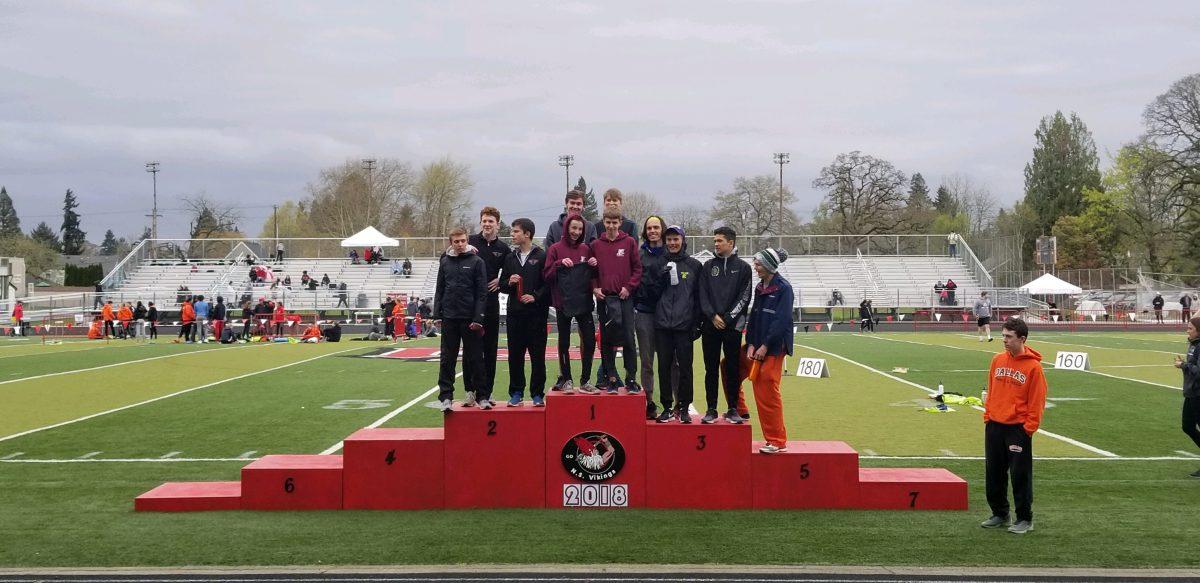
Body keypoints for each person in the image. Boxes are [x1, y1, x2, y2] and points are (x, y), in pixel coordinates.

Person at [981, 317, 1047, 535]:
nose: (1004, 340)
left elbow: (1037, 402)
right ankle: (1000, 513)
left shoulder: (1034, 368)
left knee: (1019, 475)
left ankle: (1024, 518)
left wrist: (1028, 428)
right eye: (1003, 336)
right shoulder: (997, 360)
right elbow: (991, 390)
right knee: (994, 472)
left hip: (1017, 429)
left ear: (1022, 339)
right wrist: (989, 415)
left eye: (1009, 337)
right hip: (994, 425)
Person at [734, 247, 794, 453]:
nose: (755, 267)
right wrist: (750, 342)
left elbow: (781, 320)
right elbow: (755, 317)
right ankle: (739, 411)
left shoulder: (784, 288)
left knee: (767, 388)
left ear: (768, 266)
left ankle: (777, 441)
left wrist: (765, 345)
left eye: (758, 264)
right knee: (729, 368)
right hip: (757, 345)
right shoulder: (760, 287)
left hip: (774, 347)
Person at [699, 226, 752, 424]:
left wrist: (728, 318)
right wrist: (712, 316)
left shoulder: (744, 268)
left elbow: (745, 296)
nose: (716, 244)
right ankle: (711, 409)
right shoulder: (707, 266)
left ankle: (732, 408)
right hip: (710, 326)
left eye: (720, 241)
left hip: (732, 327)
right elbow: (702, 294)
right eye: (715, 241)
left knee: (732, 368)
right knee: (710, 368)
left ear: (731, 243)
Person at [433, 227, 488, 412]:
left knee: (475, 359)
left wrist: (478, 317)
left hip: (470, 319)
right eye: (456, 241)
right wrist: (436, 314)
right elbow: (439, 289)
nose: (460, 244)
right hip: (449, 318)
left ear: (467, 241)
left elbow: (482, 293)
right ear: (451, 242)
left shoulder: (477, 261)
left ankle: (482, 396)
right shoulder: (445, 262)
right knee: (447, 359)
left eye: (463, 240)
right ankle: (446, 397)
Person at [498, 217, 550, 407]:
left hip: (536, 315)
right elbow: (502, 285)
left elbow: (548, 284)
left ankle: (537, 394)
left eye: (515, 231)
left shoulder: (542, 256)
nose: (512, 235)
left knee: (537, 356)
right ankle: (516, 392)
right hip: (515, 315)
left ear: (527, 234)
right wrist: (508, 282)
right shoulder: (510, 258)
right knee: (515, 356)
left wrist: (535, 296)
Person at [653, 225, 703, 424]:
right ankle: (666, 407)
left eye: (676, 239)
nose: (673, 243)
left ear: (683, 240)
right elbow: (651, 294)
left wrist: (697, 323)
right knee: (664, 367)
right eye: (669, 240)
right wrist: (661, 279)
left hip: (684, 326)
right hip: (663, 324)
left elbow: (699, 297)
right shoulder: (659, 263)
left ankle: (683, 407)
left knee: (685, 368)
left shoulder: (694, 265)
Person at [544, 213, 598, 394]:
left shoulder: (586, 249)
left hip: (583, 302)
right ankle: (567, 379)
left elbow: (594, 275)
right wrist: (559, 263)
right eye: (573, 228)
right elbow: (547, 275)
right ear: (567, 228)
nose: (576, 232)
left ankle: (585, 380)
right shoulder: (555, 249)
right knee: (564, 342)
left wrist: (594, 264)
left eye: (580, 229)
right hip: (563, 303)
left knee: (590, 341)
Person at [592, 208, 643, 394]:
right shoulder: (596, 244)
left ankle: (630, 379)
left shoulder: (629, 242)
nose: (611, 226)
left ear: (620, 222)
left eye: (615, 222)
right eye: (608, 222)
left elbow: (638, 269)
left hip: (624, 299)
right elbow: (592, 272)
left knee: (629, 339)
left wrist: (628, 287)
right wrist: (595, 288)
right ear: (603, 223)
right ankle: (611, 378)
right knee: (607, 340)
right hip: (605, 300)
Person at [468, 206, 512, 408]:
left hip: (491, 303)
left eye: (491, 221)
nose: (487, 224)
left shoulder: (503, 248)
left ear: (498, 224)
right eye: (484, 221)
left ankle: (487, 391)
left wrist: (500, 282)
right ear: (481, 222)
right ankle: (470, 391)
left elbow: (512, 270)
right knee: (470, 348)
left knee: (490, 349)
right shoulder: (469, 242)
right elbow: (450, 257)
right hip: (470, 303)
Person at [634, 216, 672, 419]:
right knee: (647, 361)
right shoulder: (639, 254)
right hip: (644, 312)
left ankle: (676, 402)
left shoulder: (671, 253)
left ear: (662, 230)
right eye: (649, 228)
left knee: (671, 361)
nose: (653, 231)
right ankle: (649, 402)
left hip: (667, 315)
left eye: (656, 227)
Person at [1176, 316, 1200, 477]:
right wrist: (1184, 365)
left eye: (1190, 328)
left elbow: (1199, 371)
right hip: (1191, 392)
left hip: (1199, 394)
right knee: (1187, 426)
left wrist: (1184, 365)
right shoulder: (1193, 345)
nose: (1187, 330)